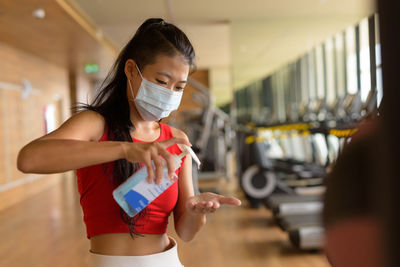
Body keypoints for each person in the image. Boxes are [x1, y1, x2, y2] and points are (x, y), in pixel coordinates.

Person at [17, 18, 241, 267]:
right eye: (162, 82)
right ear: (132, 70)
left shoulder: (177, 141)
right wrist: (125, 148)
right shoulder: (96, 124)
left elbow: (186, 232)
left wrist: (197, 211)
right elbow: (29, 159)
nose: (170, 93)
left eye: (179, 87)